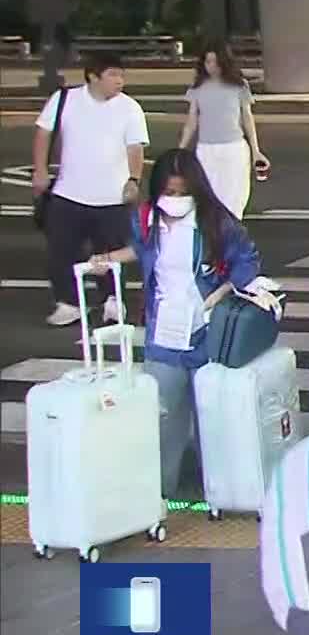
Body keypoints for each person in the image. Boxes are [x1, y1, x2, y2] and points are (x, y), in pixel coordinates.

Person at [85, 150, 261, 499]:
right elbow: (141, 249)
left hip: (205, 335)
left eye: (183, 193)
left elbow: (248, 261)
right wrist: (106, 260)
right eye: (170, 192)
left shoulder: (217, 222)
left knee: (211, 419)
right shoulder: (147, 219)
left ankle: (219, 492)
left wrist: (224, 290)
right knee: (162, 420)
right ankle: (158, 495)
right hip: (163, 335)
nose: (176, 200)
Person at [32, 52, 149, 327]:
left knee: (111, 252)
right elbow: (43, 133)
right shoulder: (65, 100)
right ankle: (68, 302)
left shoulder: (130, 107)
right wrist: (39, 171)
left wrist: (134, 179)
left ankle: (112, 300)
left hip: (112, 197)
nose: (119, 81)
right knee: (61, 251)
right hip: (68, 193)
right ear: (93, 77)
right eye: (113, 75)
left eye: (122, 75)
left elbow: (136, 147)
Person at [180, 41, 268, 219]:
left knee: (234, 197)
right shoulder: (198, 88)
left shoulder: (239, 86)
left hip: (234, 148)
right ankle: (214, 238)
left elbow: (247, 118)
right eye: (207, 62)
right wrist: (181, 148)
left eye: (215, 62)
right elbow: (192, 121)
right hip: (206, 148)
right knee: (209, 196)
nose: (211, 66)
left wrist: (256, 150)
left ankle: (231, 234)